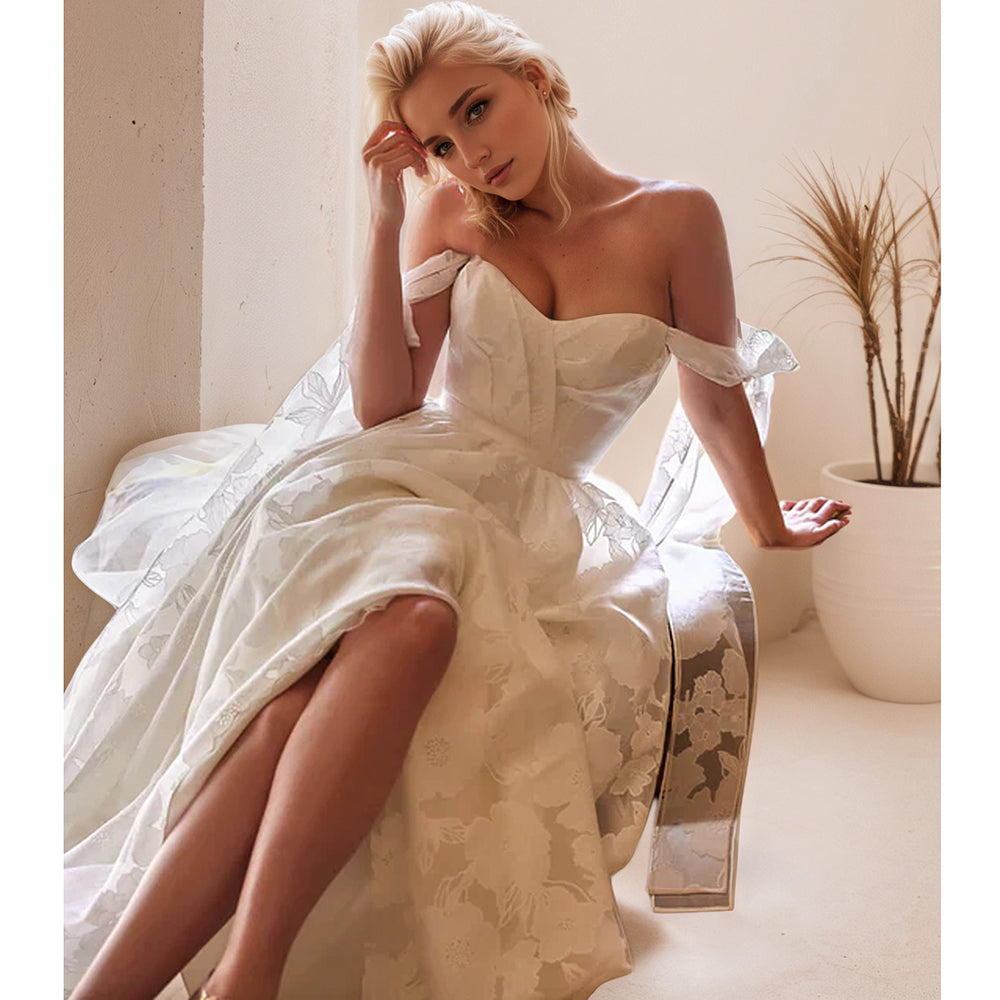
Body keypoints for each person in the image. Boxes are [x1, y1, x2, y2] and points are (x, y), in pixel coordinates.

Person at [64, 4, 851, 999]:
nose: (469, 155)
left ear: (536, 78)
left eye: (476, 110)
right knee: (404, 606)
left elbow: (714, 397)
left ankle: (221, 984)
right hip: (410, 481)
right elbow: (386, 404)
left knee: (326, 683)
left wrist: (769, 522)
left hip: (542, 522)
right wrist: (384, 219)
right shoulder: (448, 215)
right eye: (440, 142)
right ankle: (226, 982)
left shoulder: (676, 218)